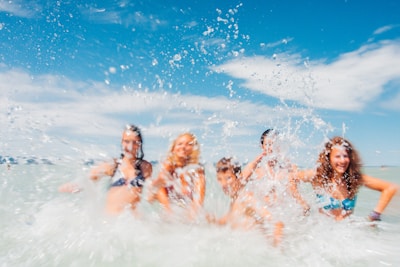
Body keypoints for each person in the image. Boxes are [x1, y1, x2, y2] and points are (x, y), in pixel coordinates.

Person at [290, 136, 398, 221]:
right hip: (323, 234)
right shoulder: (318, 176)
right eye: (337, 156)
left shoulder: (355, 178)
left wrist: (374, 215)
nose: (342, 161)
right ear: (329, 158)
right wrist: (302, 203)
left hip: (347, 234)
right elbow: (291, 178)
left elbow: (390, 188)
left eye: (345, 156)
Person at [59, 124, 152, 215]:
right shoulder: (113, 165)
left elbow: (151, 191)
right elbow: (88, 180)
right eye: (127, 141)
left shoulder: (145, 167)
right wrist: (75, 186)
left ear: (139, 144)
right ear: (122, 142)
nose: (130, 146)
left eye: (135, 142)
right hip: (111, 223)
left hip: (133, 224)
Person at [212, 157, 284, 246]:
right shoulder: (235, 200)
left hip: (255, 250)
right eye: (220, 179)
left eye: (228, 178)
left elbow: (277, 223)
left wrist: (275, 251)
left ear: (238, 177)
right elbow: (229, 219)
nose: (224, 184)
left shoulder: (246, 197)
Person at [148, 132, 206, 218]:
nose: (183, 147)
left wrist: (192, 217)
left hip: (186, 210)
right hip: (168, 211)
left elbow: (199, 198)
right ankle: (169, 214)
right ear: (173, 149)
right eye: (180, 144)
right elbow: (153, 193)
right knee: (159, 183)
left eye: (188, 144)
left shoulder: (197, 170)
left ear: (194, 149)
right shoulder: (168, 166)